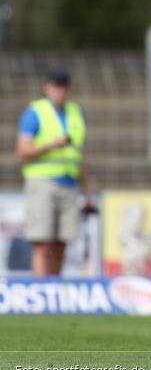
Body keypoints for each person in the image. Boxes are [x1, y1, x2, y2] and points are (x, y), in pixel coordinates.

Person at [15, 69, 96, 276]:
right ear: (46, 87)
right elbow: (22, 152)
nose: (59, 91)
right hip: (43, 182)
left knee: (61, 243)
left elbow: (80, 156)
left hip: (69, 184)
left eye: (62, 86)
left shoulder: (76, 113)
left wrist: (88, 192)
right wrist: (51, 145)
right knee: (42, 242)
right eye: (54, 86)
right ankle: (41, 290)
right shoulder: (35, 112)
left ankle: (54, 290)